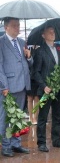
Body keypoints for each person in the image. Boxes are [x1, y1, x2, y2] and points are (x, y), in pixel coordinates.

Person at [33, 26, 60, 152]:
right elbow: (35, 72)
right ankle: (41, 143)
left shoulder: (58, 48)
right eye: (49, 32)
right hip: (46, 89)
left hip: (58, 89)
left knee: (58, 116)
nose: (52, 33)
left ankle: (56, 140)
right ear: (43, 35)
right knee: (43, 117)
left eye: (53, 31)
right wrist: (44, 86)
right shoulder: (39, 51)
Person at [0, 17, 32, 157]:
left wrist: (29, 57)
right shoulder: (1, 42)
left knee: (18, 117)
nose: (18, 28)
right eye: (14, 26)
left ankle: (16, 143)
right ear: (6, 27)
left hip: (22, 84)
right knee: (6, 117)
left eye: (18, 25)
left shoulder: (21, 42)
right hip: (8, 87)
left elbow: (28, 63)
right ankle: (5, 145)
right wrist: (3, 86)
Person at [27, 45, 39, 125]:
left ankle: (35, 118)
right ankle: (30, 117)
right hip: (30, 77)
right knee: (30, 98)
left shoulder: (41, 49)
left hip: (38, 77)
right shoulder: (29, 48)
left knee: (37, 98)